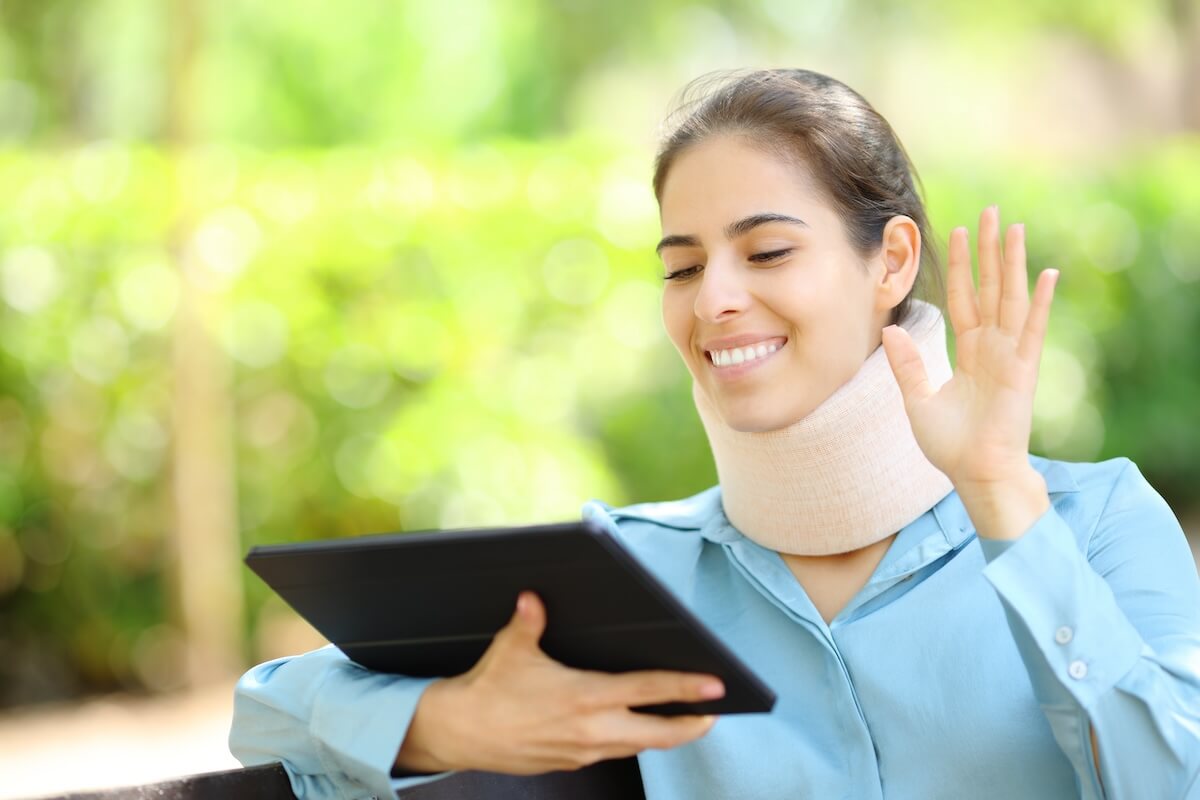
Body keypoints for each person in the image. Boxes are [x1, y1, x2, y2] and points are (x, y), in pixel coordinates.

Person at [228, 69, 1200, 799]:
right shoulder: (636, 572)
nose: (718, 300)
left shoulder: (1091, 519)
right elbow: (267, 707)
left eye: (767, 249)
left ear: (892, 260)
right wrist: (444, 721)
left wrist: (998, 493)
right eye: (682, 268)